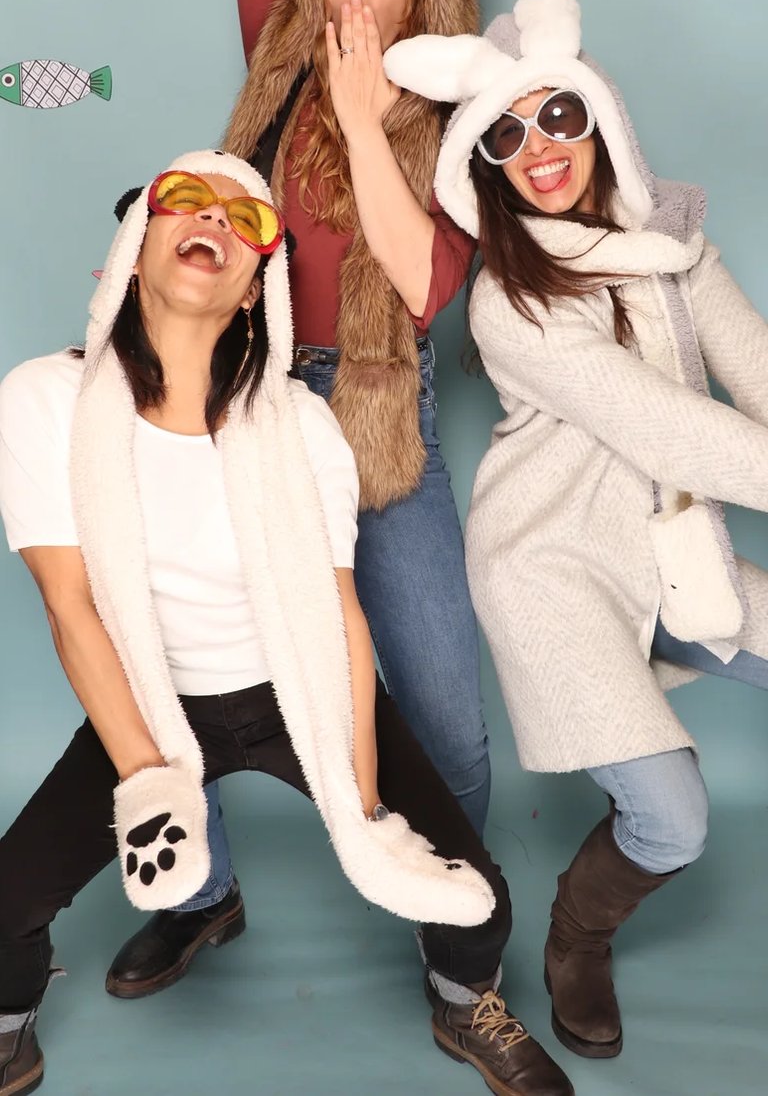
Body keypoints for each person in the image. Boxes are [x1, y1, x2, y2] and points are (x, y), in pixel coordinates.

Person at [106, 0, 498, 996]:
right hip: (246, 403)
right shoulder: (276, 64)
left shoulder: (461, 113)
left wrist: (366, 108)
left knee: (441, 713)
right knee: (183, 674)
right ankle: (196, 894)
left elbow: (423, 281)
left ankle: (462, 968)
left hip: (385, 423)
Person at [0, 149, 575, 1096]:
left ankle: (462, 998)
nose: (216, 221)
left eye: (246, 220)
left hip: (288, 686)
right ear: (134, 249)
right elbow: (71, 606)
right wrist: (149, 780)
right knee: (5, 906)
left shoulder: (301, 428)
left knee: (476, 896)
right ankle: (15, 1014)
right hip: (148, 701)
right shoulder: (45, 400)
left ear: (258, 286)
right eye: (187, 202)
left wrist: (364, 796)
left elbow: (339, 610)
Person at [383, 0, 768, 1061]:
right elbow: (673, 431)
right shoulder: (514, 297)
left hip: (667, 557)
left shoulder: (676, 247)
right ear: (487, 164)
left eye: (560, 116)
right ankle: (576, 934)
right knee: (676, 820)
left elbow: (754, 370)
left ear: (602, 119)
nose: (539, 147)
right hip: (551, 571)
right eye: (506, 133)